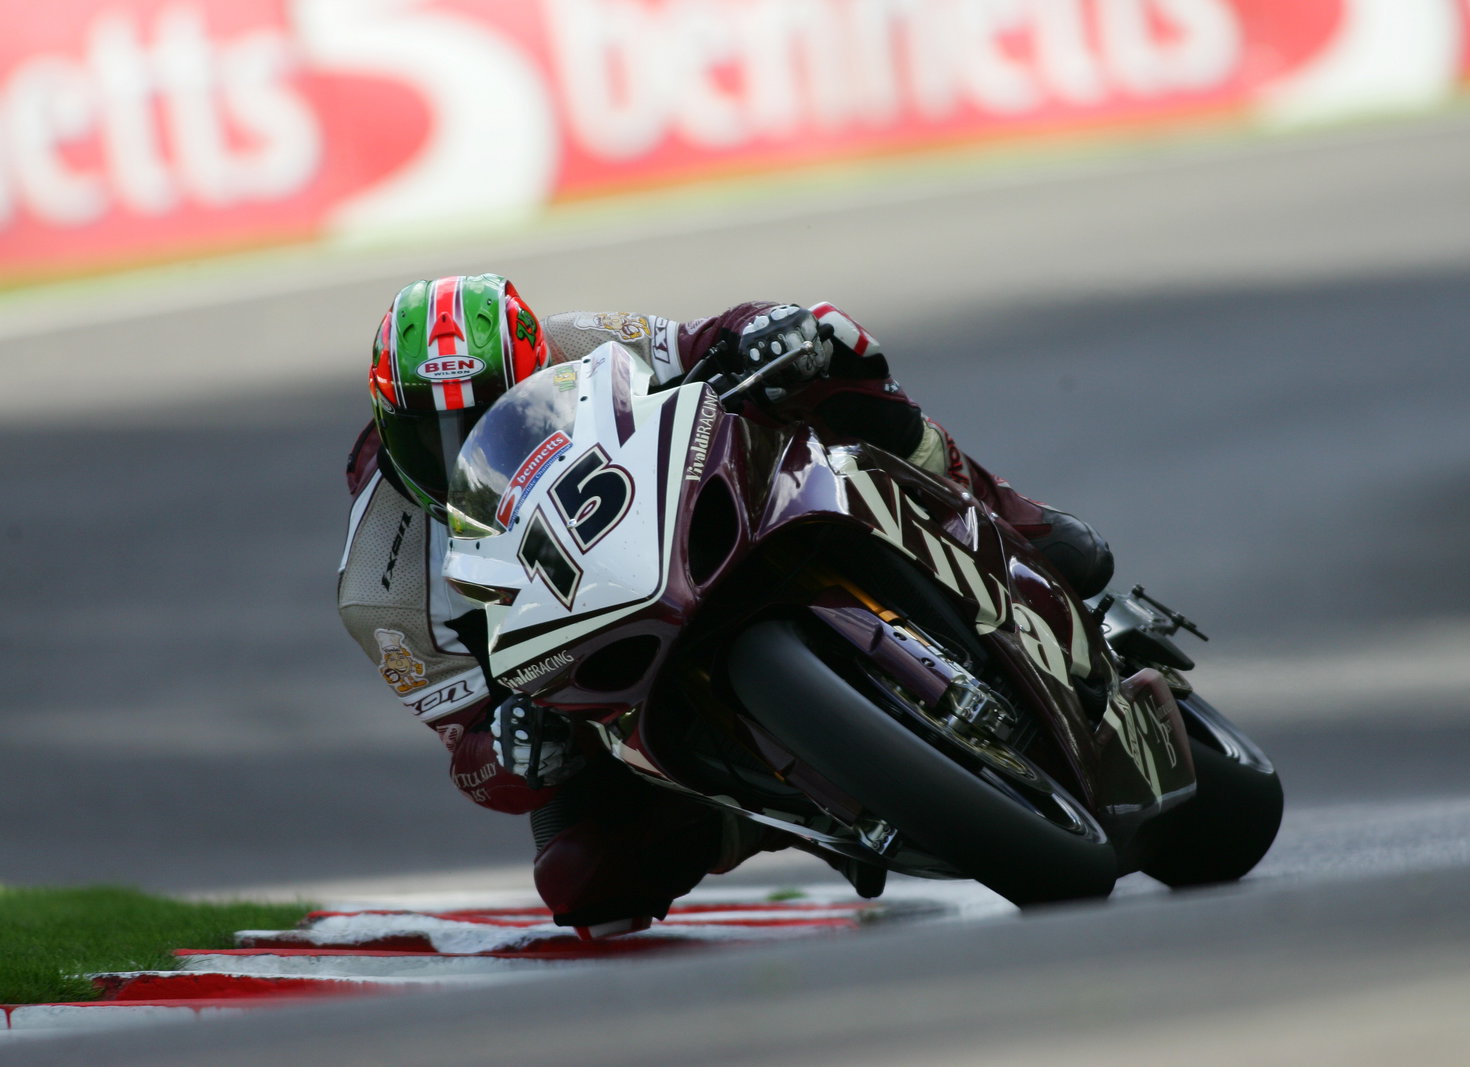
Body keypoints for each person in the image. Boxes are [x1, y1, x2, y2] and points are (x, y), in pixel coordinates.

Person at [338, 273, 1113, 938]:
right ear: (384, 422)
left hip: (685, 520)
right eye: (428, 431)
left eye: (489, 407)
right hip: (587, 678)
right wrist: (508, 749)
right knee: (588, 886)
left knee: (825, 341)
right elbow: (467, 749)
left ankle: (1004, 509)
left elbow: (713, 335)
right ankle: (762, 805)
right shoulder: (384, 577)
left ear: (537, 365)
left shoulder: (580, 342)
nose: (459, 445)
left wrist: (764, 331)